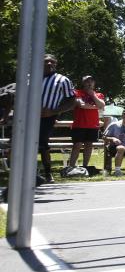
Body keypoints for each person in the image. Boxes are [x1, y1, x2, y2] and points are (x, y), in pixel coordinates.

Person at [38, 54, 77, 183]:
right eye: (46, 62)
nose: (49, 64)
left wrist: (53, 112)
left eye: (52, 62)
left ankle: (48, 173)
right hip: (28, 116)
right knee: (22, 142)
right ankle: (25, 172)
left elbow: (71, 101)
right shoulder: (31, 77)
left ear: (56, 64)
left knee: (41, 143)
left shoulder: (62, 80)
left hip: (47, 116)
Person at [66, 75, 105, 176]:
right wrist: (96, 107)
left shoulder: (98, 94)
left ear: (94, 83)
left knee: (89, 146)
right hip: (79, 124)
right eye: (87, 81)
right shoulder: (77, 93)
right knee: (77, 145)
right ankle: (71, 167)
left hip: (92, 125)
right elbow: (81, 105)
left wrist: (93, 95)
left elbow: (101, 105)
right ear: (83, 83)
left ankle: (85, 167)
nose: (89, 83)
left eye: (91, 81)